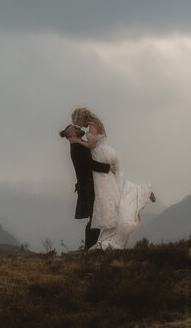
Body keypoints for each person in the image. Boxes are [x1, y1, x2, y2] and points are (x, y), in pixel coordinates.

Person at [68, 107, 155, 250]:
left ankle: (142, 190)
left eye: (77, 122)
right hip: (106, 152)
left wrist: (77, 140)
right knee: (117, 186)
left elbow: (91, 145)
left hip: (100, 154)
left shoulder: (92, 126)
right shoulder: (96, 122)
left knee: (112, 190)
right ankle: (142, 191)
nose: (79, 126)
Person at [60, 123, 112, 251]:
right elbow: (89, 164)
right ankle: (89, 249)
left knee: (95, 218)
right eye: (76, 128)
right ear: (72, 134)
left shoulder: (77, 144)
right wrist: (109, 168)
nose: (79, 128)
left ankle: (90, 249)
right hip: (88, 186)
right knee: (95, 218)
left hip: (88, 185)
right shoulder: (77, 146)